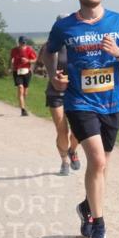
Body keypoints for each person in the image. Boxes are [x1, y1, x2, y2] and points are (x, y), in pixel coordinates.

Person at [45, 0, 119, 238]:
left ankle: (87, 206)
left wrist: (118, 53)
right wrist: (53, 76)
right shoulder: (65, 26)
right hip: (79, 102)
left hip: (111, 103)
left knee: (102, 166)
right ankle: (99, 227)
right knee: (97, 161)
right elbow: (49, 51)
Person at [37, 26, 81, 176]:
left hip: (76, 92)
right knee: (62, 131)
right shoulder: (50, 46)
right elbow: (40, 65)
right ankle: (64, 161)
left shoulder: (78, 44)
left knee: (78, 130)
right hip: (56, 92)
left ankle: (72, 150)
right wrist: (51, 72)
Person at [10, 36, 38, 115]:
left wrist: (28, 60)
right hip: (17, 71)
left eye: (24, 43)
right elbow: (11, 59)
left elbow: (35, 59)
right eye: (21, 43)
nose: (22, 44)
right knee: (20, 88)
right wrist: (10, 67)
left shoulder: (29, 50)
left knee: (25, 92)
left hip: (26, 72)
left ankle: (23, 104)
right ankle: (23, 110)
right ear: (18, 42)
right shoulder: (14, 50)